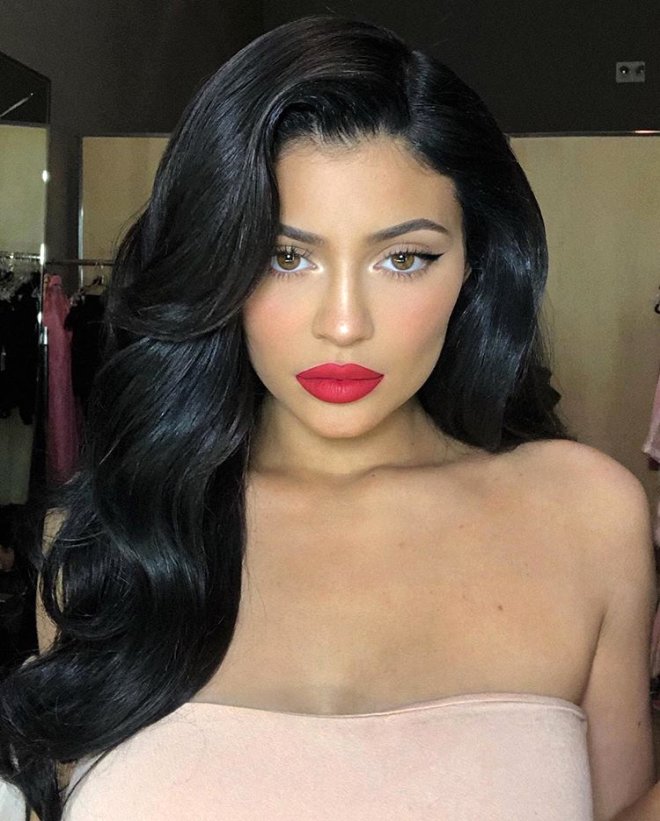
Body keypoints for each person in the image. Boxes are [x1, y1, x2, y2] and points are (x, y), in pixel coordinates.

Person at [0, 14, 657, 821]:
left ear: (475, 266)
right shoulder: (115, 540)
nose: (344, 323)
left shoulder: (586, 516)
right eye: (286, 256)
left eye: (404, 258)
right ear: (217, 263)